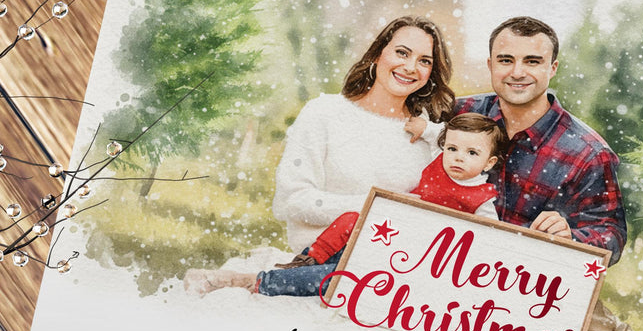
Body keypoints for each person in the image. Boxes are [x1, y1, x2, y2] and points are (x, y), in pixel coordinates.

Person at [452, 15, 643, 331]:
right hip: (451, 267)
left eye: (532, 61)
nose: (517, 72)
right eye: (506, 60)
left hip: (526, 285)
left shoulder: (586, 152)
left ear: (552, 68)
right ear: (490, 64)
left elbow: (611, 234)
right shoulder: (458, 116)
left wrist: (572, 236)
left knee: (559, 312)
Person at [185, 15, 454, 295]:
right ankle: (257, 282)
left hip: (392, 266)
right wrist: (379, 206)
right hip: (319, 262)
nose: (410, 67)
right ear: (377, 54)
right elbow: (292, 201)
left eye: (425, 61)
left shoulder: (430, 134)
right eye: (402, 52)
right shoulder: (324, 113)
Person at [244, 114, 509, 298]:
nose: (458, 158)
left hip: (418, 254)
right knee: (351, 219)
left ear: (489, 163)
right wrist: (424, 127)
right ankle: (308, 259)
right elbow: (440, 134)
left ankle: (270, 282)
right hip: (392, 229)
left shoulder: (482, 199)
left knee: (347, 273)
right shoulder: (441, 157)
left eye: (472, 153)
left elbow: (493, 237)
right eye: (452, 149)